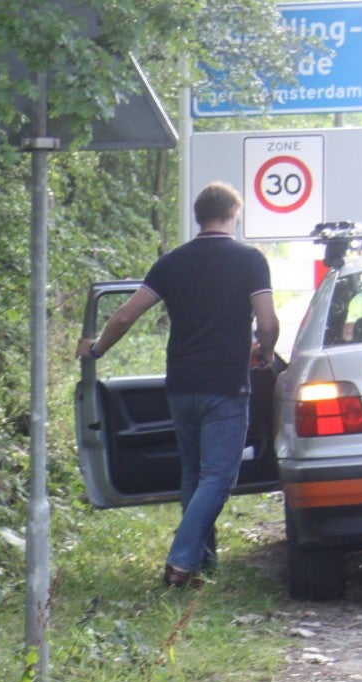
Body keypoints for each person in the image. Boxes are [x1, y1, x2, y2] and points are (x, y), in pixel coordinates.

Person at [76, 181, 279, 587]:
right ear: (233, 215)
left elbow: (124, 316)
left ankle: (204, 563)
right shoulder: (250, 260)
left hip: (181, 385)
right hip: (225, 385)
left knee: (194, 474)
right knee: (219, 478)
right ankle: (181, 561)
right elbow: (268, 322)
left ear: (198, 216)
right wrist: (267, 352)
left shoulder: (171, 262)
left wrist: (96, 349)